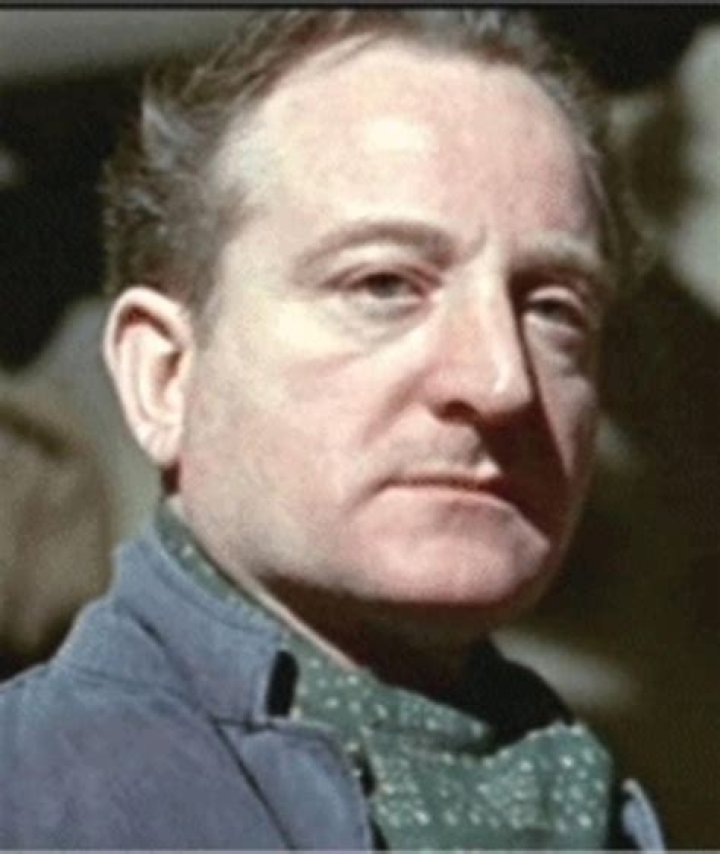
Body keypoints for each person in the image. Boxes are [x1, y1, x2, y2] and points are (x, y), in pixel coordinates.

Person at [0, 9, 664, 849]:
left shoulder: (584, 796)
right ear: (165, 376)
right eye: (383, 285)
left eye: (553, 309)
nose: (501, 381)